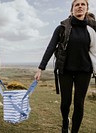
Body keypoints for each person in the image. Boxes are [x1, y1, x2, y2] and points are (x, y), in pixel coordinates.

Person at [34, 0, 96, 133]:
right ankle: (65, 122)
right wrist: (41, 68)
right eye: (77, 5)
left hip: (84, 71)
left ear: (87, 8)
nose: (80, 7)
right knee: (65, 103)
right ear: (72, 9)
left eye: (82, 4)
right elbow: (51, 47)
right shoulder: (62, 27)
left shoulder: (93, 28)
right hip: (65, 70)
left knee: (79, 103)